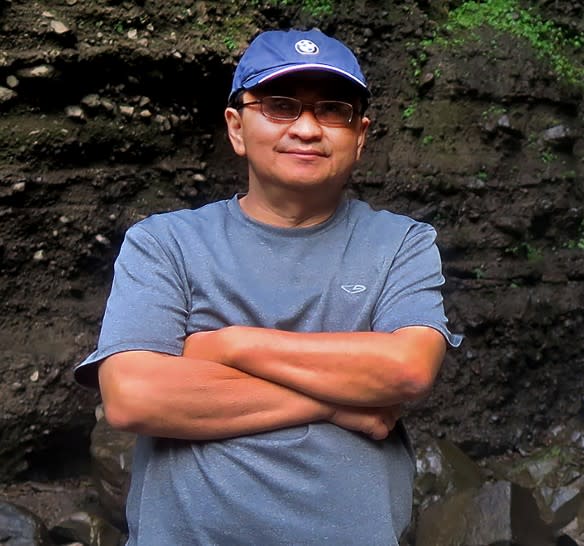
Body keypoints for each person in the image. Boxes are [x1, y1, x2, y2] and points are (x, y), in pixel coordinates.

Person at [74, 28, 461, 545]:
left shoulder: (401, 243)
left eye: (332, 110)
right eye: (280, 106)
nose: (306, 128)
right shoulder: (165, 243)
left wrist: (232, 345)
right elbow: (134, 398)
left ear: (361, 135)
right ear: (236, 128)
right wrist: (335, 403)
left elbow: (408, 370)